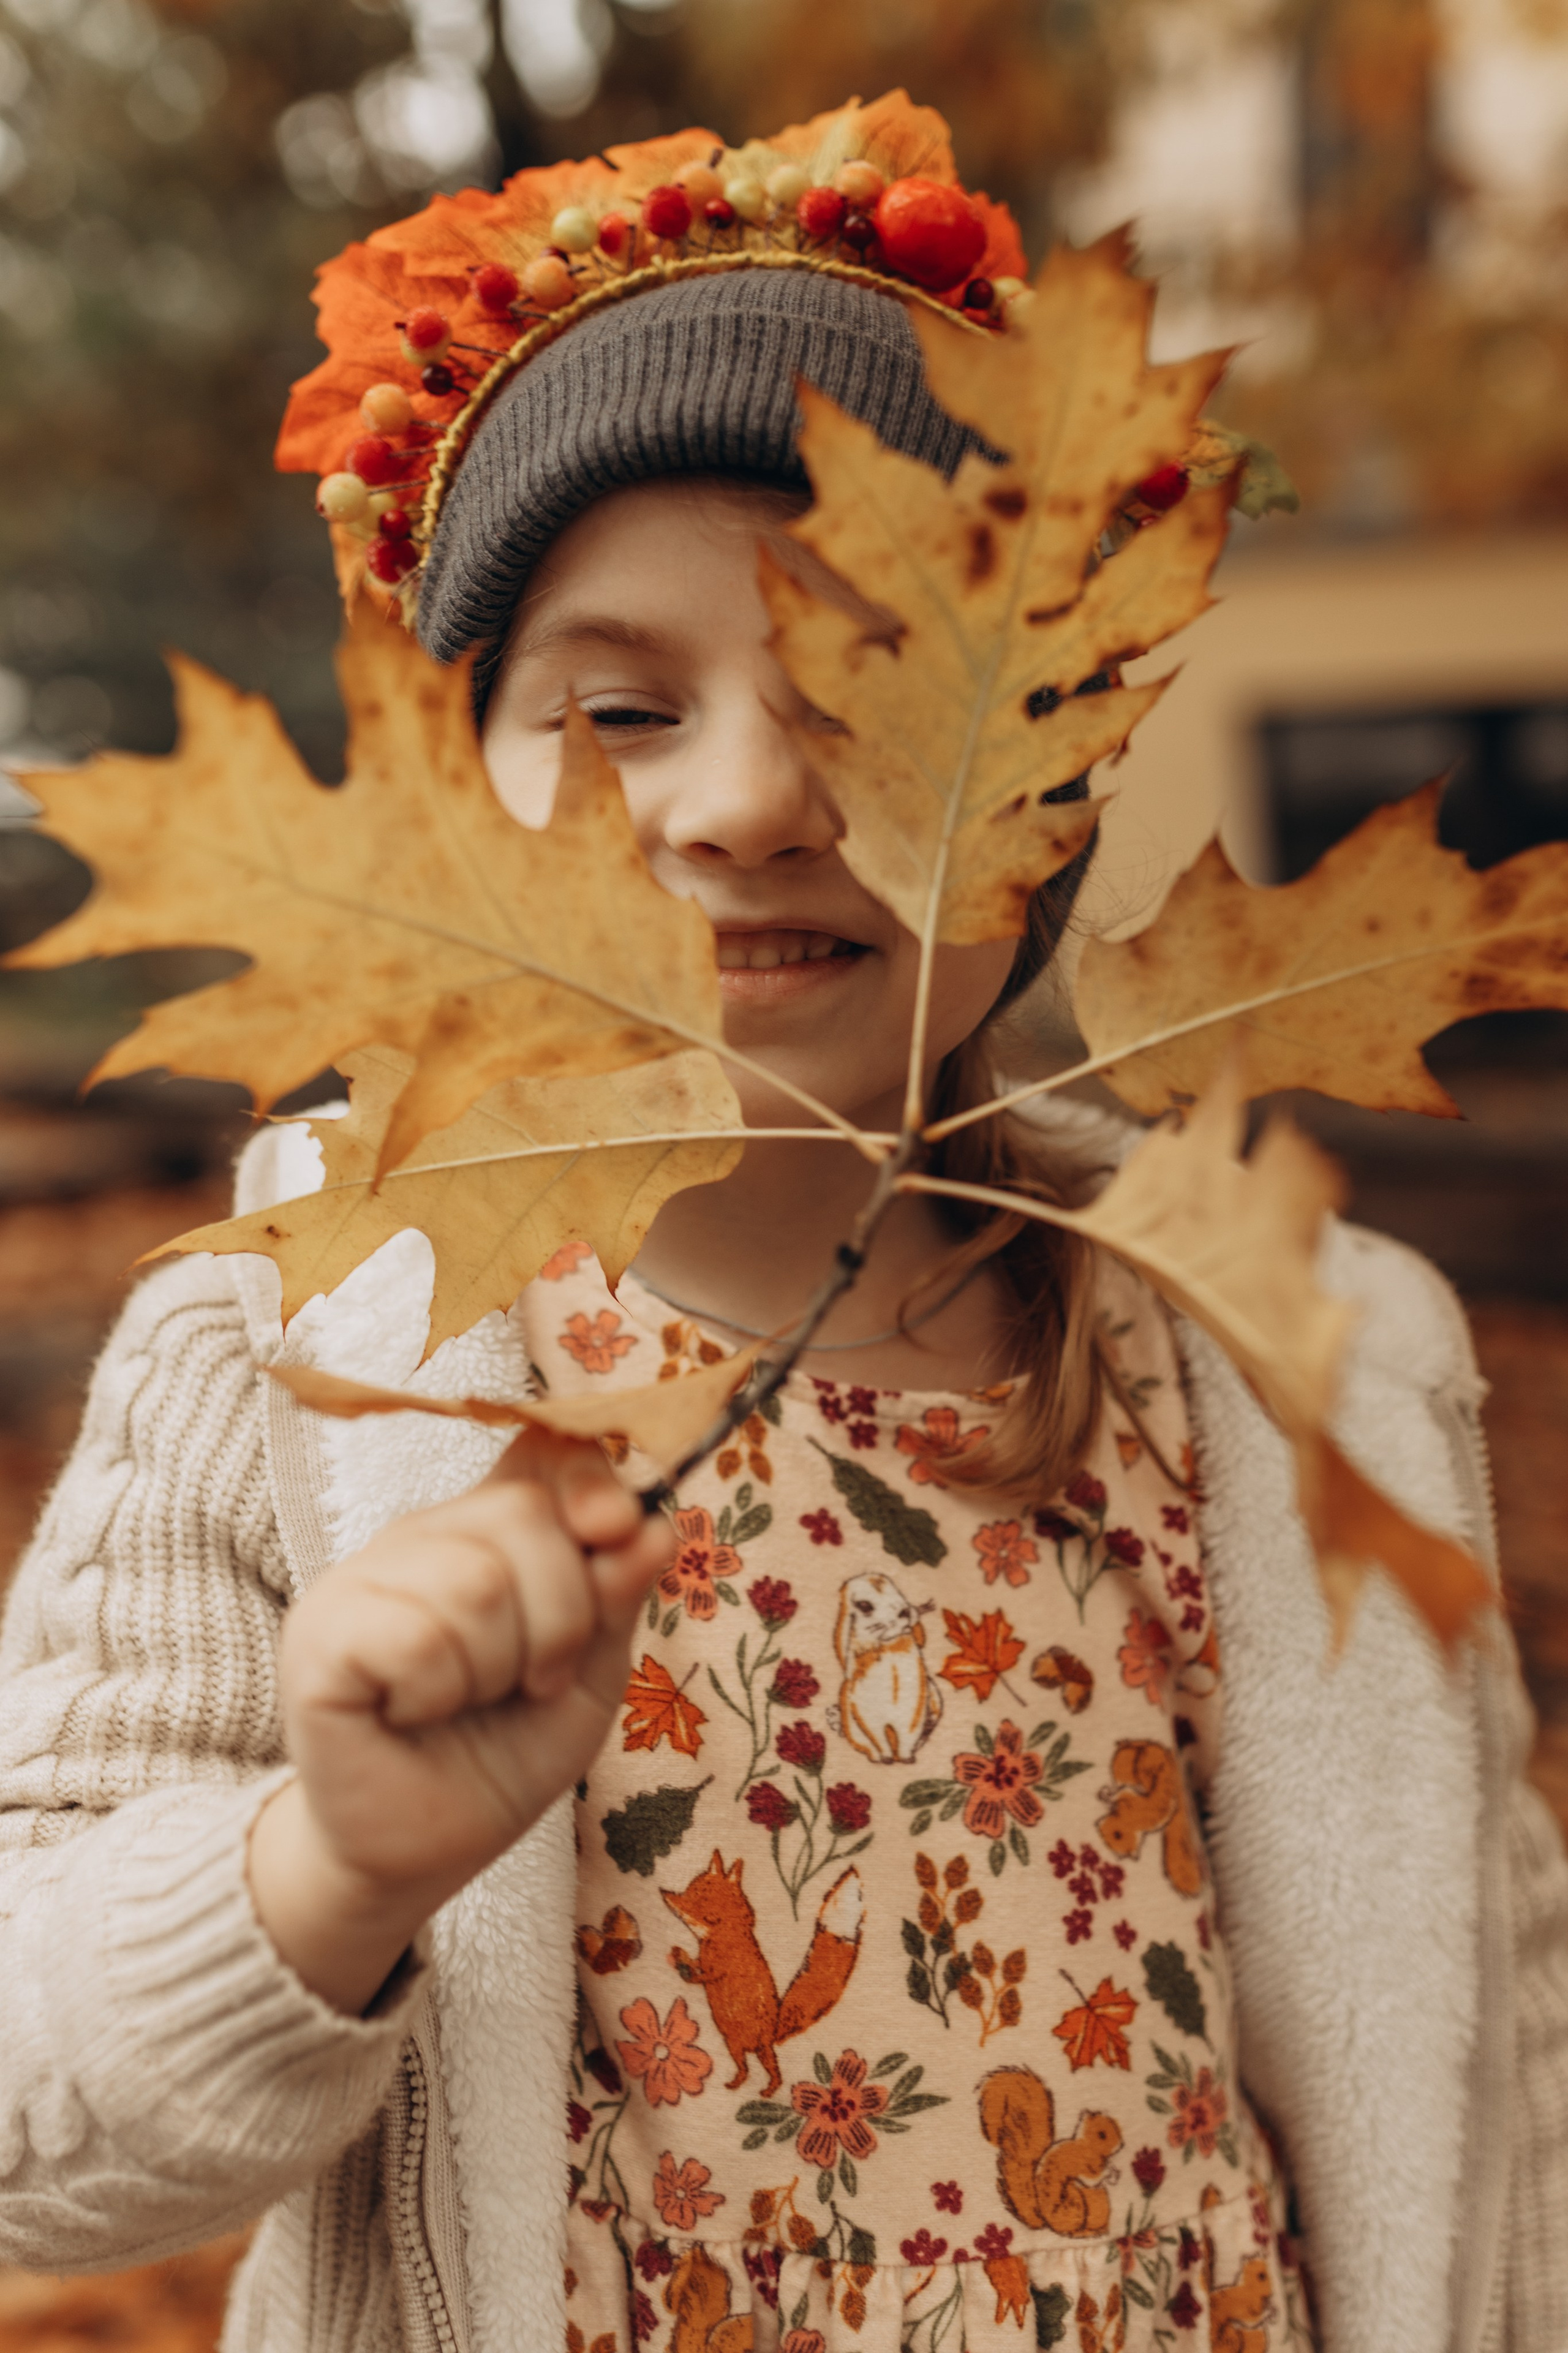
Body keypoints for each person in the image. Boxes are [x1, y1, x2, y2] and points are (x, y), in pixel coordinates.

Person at [0, 91, 1564, 2353]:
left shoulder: (1268, 1356)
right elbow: (36, 2122)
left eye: (868, 694)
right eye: (622, 706)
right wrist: (326, 1872)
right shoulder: (308, 1337)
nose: (741, 803)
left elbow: (1489, 2070)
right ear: (455, 797)